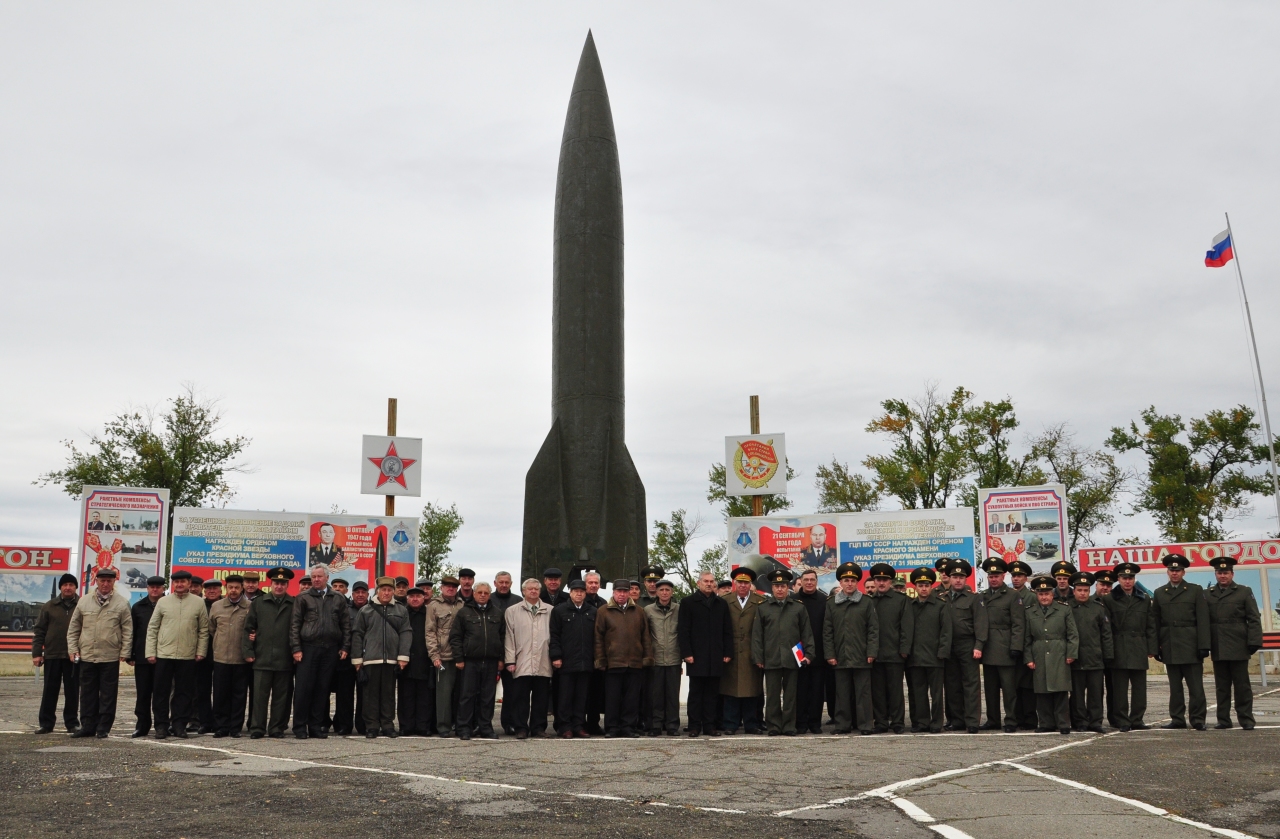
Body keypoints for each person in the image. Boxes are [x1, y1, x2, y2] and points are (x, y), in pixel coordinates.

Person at [66, 567, 131, 738]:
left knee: (108, 694)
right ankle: (87, 726)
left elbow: (127, 629)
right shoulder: (84, 602)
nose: (105, 584)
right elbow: (74, 628)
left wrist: (125, 650)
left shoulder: (122, 603)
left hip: (110, 655)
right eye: (102, 580)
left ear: (114, 582)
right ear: (96, 581)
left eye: (109, 581)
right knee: (87, 693)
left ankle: (103, 728)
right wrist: (73, 649)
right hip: (87, 654)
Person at [146, 569, 210, 739]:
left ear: (189, 583)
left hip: (187, 655)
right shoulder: (163, 602)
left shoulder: (198, 603)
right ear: (173, 584)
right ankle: (161, 726)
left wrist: (200, 651)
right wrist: (150, 652)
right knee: (161, 692)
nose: (180, 584)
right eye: (176, 582)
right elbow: (153, 628)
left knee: (184, 693)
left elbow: (204, 630)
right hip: (164, 654)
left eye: (183, 581)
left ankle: (179, 725)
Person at [289, 565, 351, 739]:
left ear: (327, 578)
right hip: (308, 649)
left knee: (322, 689)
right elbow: (295, 625)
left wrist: (345, 647)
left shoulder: (338, 598)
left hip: (330, 650)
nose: (316, 579)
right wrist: (296, 648)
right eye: (313, 577)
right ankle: (300, 726)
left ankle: (316, 726)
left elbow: (346, 625)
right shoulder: (303, 597)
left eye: (319, 576)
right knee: (303, 689)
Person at [1151, 553, 1211, 730]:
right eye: (1171, 570)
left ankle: (1198, 719)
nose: (1174, 573)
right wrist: (1156, 648)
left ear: (1184, 572)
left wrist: (1204, 645)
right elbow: (1155, 622)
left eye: (1177, 570)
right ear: (1167, 572)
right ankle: (1177, 719)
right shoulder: (1160, 593)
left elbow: (1203, 619)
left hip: (1191, 646)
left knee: (1196, 688)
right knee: (1175, 688)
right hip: (1170, 645)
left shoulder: (1195, 590)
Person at [752, 568, 814, 736]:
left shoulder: (798, 608)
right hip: (771, 658)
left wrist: (809, 655)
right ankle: (773, 726)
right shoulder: (763, 608)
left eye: (783, 586)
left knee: (790, 696)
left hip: (792, 658)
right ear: (772, 588)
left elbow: (806, 633)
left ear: (788, 588)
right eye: (777, 586)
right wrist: (758, 657)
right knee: (772, 696)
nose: (780, 589)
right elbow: (757, 636)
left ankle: (788, 726)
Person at [1205, 556, 1263, 730]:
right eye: (1219, 573)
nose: (1223, 576)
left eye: (1226, 573)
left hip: (1239, 645)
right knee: (1222, 686)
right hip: (1218, 645)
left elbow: (1254, 618)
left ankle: (1246, 719)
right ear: (1215, 574)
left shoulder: (1244, 591)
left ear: (1232, 574)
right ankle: (1223, 719)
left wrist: (1254, 641)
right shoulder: (1208, 594)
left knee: (1242, 686)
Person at [351, 576, 411, 738]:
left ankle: (388, 725)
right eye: (383, 590)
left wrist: (403, 656)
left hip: (392, 660)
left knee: (388, 695)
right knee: (370, 695)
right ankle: (372, 726)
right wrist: (357, 660)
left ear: (393, 591)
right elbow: (357, 635)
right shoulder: (366, 610)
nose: (386, 593)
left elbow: (406, 633)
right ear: (377, 591)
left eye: (389, 590)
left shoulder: (401, 610)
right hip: (370, 659)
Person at [823, 562, 878, 735]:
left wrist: (871, 652)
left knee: (863, 693)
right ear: (840, 582)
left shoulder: (866, 602)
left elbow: (873, 630)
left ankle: (865, 725)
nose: (849, 584)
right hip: (840, 655)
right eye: (846, 580)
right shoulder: (832, 604)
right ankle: (842, 725)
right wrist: (830, 654)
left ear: (857, 583)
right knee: (842, 693)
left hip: (862, 655)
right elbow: (827, 631)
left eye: (852, 581)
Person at [594, 578, 653, 737]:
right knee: (612, 698)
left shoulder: (639, 611)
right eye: (619, 591)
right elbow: (598, 638)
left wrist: (647, 658)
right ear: (613, 592)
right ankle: (612, 728)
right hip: (613, 662)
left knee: (631, 699)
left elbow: (645, 637)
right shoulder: (603, 611)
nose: (622, 594)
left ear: (629, 593)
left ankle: (628, 727)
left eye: (625, 591)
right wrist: (601, 660)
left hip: (634, 662)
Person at [677, 572, 732, 737]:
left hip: (716, 655)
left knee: (712, 694)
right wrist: (686, 653)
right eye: (706, 581)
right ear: (698, 583)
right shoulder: (688, 603)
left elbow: (727, 630)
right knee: (695, 694)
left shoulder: (721, 603)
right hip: (696, 656)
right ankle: (694, 726)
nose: (709, 584)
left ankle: (709, 726)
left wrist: (728, 652)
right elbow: (683, 630)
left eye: (711, 581)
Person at [243, 568, 296, 739]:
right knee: (259, 696)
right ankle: (257, 727)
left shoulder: (293, 604)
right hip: (262, 657)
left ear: (287, 585)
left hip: (285, 659)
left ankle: (276, 728)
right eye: (276, 583)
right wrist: (248, 651)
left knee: (281, 697)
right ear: (270, 584)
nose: (279, 586)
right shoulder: (259, 603)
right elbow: (248, 628)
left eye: (282, 583)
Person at [450, 582, 506, 740]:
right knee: (467, 696)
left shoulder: (497, 613)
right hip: (470, 662)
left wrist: (501, 659)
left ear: (490, 594)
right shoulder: (464, 612)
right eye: (479, 592)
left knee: (488, 697)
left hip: (491, 661)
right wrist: (459, 658)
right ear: (474, 594)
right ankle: (464, 728)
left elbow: (503, 637)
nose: (482, 595)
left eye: (486, 593)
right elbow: (456, 637)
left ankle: (485, 727)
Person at [1104, 562, 1155, 732]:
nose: (1128, 581)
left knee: (1139, 688)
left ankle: (1137, 719)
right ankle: (1122, 720)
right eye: (1124, 578)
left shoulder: (1143, 598)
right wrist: (1109, 651)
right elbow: (1107, 628)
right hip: (1119, 647)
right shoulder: (1109, 599)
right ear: (1118, 579)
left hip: (1139, 646)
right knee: (1119, 689)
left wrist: (1151, 648)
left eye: (1131, 578)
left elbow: (1150, 625)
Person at [1025, 576, 1078, 735]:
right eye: (1041, 594)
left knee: (1060, 691)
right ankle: (1046, 723)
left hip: (1059, 652)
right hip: (1039, 652)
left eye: (1047, 593)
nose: (1044, 597)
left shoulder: (1063, 609)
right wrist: (1028, 658)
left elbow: (1073, 634)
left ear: (1052, 594)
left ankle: (1063, 723)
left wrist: (1071, 653)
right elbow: (1027, 638)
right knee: (1041, 691)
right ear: (1036, 595)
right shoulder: (1030, 612)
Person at [978, 558, 1025, 733]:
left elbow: (1018, 624)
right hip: (988, 647)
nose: (993, 579)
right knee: (990, 689)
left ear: (1003, 576)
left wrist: (1016, 647)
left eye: (997, 576)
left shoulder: (1013, 596)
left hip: (1006, 648)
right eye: (991, 576)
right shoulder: (982, 596)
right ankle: (993, 719)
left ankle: (1011, 720)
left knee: (1009, 688)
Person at [941, 559, 986, 733]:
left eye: (961, 577)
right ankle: (956, 720)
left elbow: (981, 624)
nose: (958, 580)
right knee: (952, 685)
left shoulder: (974, 598)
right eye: (954, 577)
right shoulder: (943, 598)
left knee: (971, 684)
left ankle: (972, 721)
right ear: (949, 579)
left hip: (968, 645)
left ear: (966, 578)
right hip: (948, 646)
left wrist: (979, 645)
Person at [504, 578, 553, 739]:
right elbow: (509, 638)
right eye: (530, 589)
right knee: (520, 698)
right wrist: (510, 660)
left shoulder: (550, 610)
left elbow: (554, 637)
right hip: (521, 661)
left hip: (543, 661)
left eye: (536, 589)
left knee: (541, 698)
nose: (533, 591)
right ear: (523, 591)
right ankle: (521, 728)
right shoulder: (512, 611)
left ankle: (538, 728)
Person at [867, 563, 913, 735]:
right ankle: (880, 721)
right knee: (878, 691)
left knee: (895, 691)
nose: (881, 583)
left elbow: (906, 627)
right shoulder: (869, 601)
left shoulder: (901, 600)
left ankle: (898, 722)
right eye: (878, 580)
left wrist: (904, 649)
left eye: (884, 580)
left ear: (890, 581)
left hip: (894, 653)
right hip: (875, 653)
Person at [32, 573, 81, 735]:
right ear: (60, 587)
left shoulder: (82, 605)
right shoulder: (49, 606)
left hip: (73, 656)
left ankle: (72, 723)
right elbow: (39, 631)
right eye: (65, 584)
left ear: (76, 587)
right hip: (52, 655)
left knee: (72, 691)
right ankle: (46, 723)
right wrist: (37, 653)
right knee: (49, 691)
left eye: (71, 585)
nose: (68, 588)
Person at [720, 565, 766, 735]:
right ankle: (730, 724)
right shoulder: (725, 601)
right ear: (734, 583)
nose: (742, 586)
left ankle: (751, 724)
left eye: (746, 583)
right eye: (739, 582)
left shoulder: (760, 602)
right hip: (731, 652)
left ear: (750, 584)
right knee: (730, 690)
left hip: (751, 652)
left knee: (751, 691)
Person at [550, 579, 598, 738]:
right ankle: (565, 727)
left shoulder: (592, 611)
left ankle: (578, 725)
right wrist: (556, 656)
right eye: (575, 590)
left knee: (581, 697)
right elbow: (554, 635)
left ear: (585, 593)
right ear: (570, 592)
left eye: (582, 591)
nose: (579, 593)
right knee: (565, 697)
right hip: (566, 662)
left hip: (585, 662)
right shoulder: (560, 611)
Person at [906, 567, 951, 734]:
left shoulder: (940, 605)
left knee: (937, 694)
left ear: (931, 586)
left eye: (926, 585)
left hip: (935, 657)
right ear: (915, 587)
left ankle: (936, 723)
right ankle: (922, 722)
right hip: (916, 657)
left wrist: (943, 652)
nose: (923, 588)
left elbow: (946, 631)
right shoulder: (910, 605)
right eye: (920, 585)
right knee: (919, 693)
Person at [208, 574, 253, 738]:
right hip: (221, 658)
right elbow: (212, 629)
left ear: (242, 588)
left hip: (241, 658)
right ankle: (221, 726)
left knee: (239, 695)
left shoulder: (250, 606)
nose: (233, 591)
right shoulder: (217, 606)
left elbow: (252, 629)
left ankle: (235, 727)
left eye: (236, 587)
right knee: (220, 694)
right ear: (226, 589)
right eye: (230, 587)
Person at [1068, 572, 1113, 733]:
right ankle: (1080, 722)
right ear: (1074, 591)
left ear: (1090, 590)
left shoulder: (1098, 608)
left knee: (1096, 693)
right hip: (1075, 658)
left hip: (1095, 658)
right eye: (1079, 590)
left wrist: (1108, 655)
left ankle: (1095, 722)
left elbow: (1106, 634)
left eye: (1085, 590)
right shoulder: (1067, 608)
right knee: (1077, 694)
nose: (1082, 593)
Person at [793, 569, 831, 735]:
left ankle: (815, 723)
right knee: (799, 690)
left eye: (812, 580)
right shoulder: (792, 600)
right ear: (801, 581)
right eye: (806, 580)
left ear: (817, 582)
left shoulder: (824, 601)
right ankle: (800, 722)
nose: (809, 583)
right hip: (797, 653)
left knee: (816, 691)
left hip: (819, 653)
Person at [126, 576, 166, 737]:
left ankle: (161, 726)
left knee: (161, 693)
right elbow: (132, 632)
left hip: (163, 656)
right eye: (152, 587)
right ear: (147, 588)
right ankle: (142, 725)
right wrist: (130, 654)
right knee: (143, 693)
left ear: (163, 588)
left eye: (158, 587)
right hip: (142, 657)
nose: (154, 590)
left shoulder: (168, 605)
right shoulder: (138, 607)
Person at [426, 576, 465, 736]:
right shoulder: (433, 606)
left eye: (454, 587)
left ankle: (459, 724)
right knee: (443, 695)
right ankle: (443, 726)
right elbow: (430, 631)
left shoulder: (462, 605)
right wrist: (434, 655)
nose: (451, 589)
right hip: (443, 656)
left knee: (461, 694)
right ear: (441, 588)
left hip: (461, 656)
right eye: (447, 586)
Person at [645, 579, 683, 736]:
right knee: (656, 695)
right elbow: (646, 635)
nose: (665, 593)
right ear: (657, 592)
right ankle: (656, 725)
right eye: (661, 590)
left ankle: (672, 725)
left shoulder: (679, 609)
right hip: (656, 658)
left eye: (668, 590)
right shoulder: (648, 610)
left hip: (674, 657)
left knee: (673, 695)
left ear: (672, 592)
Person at [398, 582, 435, 736]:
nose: (414, 599)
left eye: (418, 596)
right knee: (405, 695)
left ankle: (422, 726)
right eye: (411, 596)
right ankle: (406, 726)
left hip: (424, 661)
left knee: (424, 697)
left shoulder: (429, 613)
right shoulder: (401, 613)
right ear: (407, 598)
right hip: (405, 661)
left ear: (423, 598)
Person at [333, 580, 369, 735]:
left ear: (368, 594)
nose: (360, 595)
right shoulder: (345, 610)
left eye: (363, 592)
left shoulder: (372, 610)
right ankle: (343, 725)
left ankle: (363, 725)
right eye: (357, 592)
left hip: (366, 659)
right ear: (352, 594)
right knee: (344, 694)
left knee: (365, 695)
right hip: (345, 658)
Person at [1008, 560, 1038, 730]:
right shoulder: (1009, 595)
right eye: (1013, 576)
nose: (1016, 579)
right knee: (1015, 685)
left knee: (1028, 686)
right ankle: (1017, 718)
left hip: (1029, 645)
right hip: (1013, 645)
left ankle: (1030, 718)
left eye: (1019, 576)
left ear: (1026, 578)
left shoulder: (1032, 596)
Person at [488, 572, 519, 734]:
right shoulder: (488, 599)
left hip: (511, 652)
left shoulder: (518, 601)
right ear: (495, 583)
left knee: (511, 691)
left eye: (507, 582)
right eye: (501, 582)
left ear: (511, 584)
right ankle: (484, 723)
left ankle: (509, 723)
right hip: (490, 652)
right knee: (486, 692)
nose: (504, 585)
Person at [1091, 567, 1119, 728]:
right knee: (1096, 689)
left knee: (1113, 687)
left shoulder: (1116, 601)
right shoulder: (1089, 601)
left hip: (1113, 650)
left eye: (1109, 585)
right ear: (1097, 585)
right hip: (1094, 651)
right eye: (1102, 584)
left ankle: (1114, 718)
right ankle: (1096, 719)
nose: (1105, 588)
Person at [581, 571, 607, 734]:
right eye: (590, 582)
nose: (593, 585)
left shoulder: (603, 604)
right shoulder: (580, 601)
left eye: (596, 583)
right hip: (582, 653)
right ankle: (578, 723)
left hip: (598, 654)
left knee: (596, 692)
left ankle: (593, 723)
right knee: (581, 691)